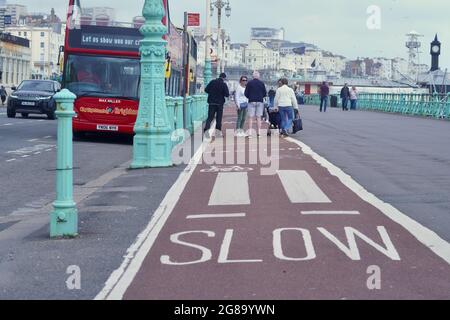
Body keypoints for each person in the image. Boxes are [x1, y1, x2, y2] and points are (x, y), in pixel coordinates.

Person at [204, 72, 230, 138]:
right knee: (219, 118)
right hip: (220, 104)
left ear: (219, 76)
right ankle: (218, 133)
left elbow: (206, 90)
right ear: (224, 78)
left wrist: (212, 93)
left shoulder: (212, 82)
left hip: (211, 103)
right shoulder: (224, 84)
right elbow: (227, 94)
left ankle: (206, 132)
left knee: (210, 118)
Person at [244, 71, 267, 137]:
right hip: (260, 101)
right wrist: (260, 97)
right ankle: (259, 133)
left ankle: (250, 133)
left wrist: (250, 97)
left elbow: (246, 93)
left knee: (250, 117)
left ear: (253, 76)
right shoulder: (262, 83)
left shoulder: (249, 83)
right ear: (258, 76)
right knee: (258, 117)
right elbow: (265, 93)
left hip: (251, 101)